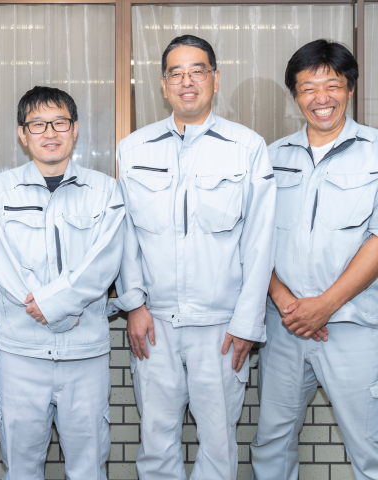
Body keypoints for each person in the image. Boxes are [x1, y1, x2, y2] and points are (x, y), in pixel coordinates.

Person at [113, 35, 276, 479]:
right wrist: (134, 305)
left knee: (219, 447)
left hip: (222, 328)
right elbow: (126, 236)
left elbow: (259, 242)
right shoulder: (134, 148)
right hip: (154, 325)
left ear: (215, 79)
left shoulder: (247, 147)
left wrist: (246, 323)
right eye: (176, 73)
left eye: (197, 71)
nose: (187, 82)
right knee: (156, 445)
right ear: (163, 85)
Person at [0, 86, 125, 479]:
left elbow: (104, 263)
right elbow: (1, 264)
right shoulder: (0, 190)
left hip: (85, 355)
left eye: (60, 122)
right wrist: (51, 308)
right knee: (21, 468)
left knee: (89, 468)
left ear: (75, 129)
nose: (50, 132)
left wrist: (53, 307)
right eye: (38, 124)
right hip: (21, 353)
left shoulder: (104, 191)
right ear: (22, 134)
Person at [250, 39, 378, 480]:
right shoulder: (270, 158)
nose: (321, 98)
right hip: (283, 328)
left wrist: (324, 305)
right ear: (295, 95)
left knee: (370, 447)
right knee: (272, 443)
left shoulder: (376, 152)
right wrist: (285, 301)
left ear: (350, 88)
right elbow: (253, 240)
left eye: (332, 85)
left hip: (353, 325)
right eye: (308, 88)